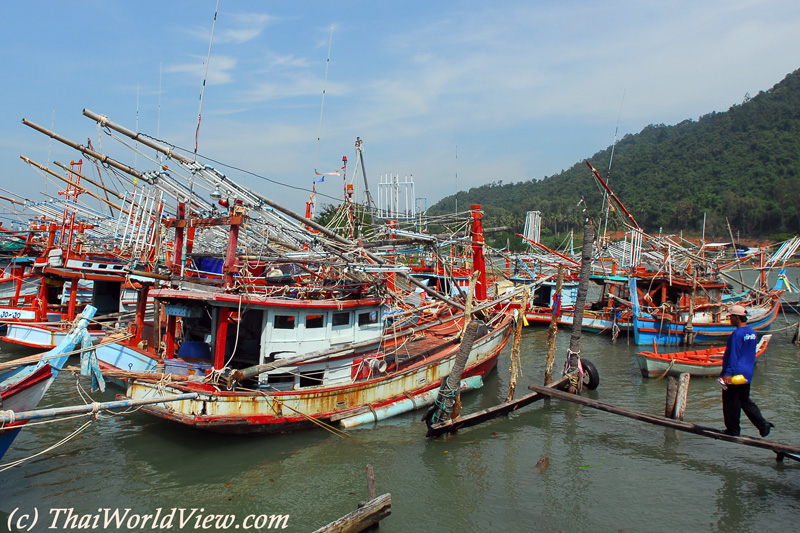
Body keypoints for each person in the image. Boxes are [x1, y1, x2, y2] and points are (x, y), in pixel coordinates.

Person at [720, 305, 774, 437]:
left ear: (737, 317)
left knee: (730, 401)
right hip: (747, 373)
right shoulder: (752, 333)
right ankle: (763, 424)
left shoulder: (737, 334)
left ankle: (733, 430)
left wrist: (728, 373)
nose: (730, 319)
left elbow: (734, 355)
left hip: (735, 373)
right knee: (744, 400)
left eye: (731, 317)